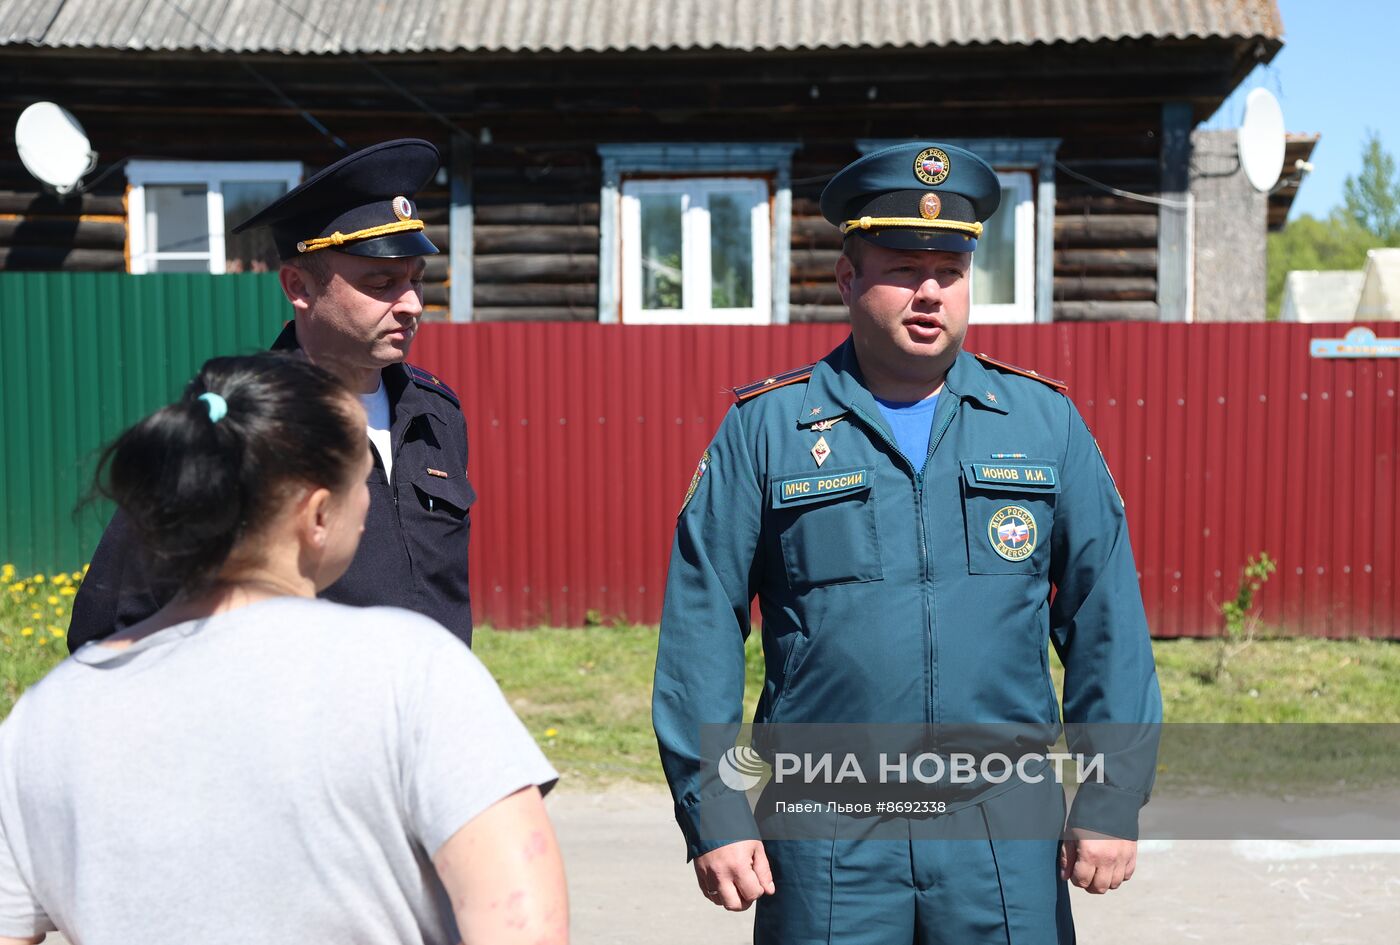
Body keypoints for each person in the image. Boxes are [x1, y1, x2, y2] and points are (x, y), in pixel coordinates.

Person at [652, 142, 1162, 944]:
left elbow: (1107, 618)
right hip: (828, 833)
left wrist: (1111, 791)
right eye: (900, 266)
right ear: (847, 279)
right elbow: (702, 620)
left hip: (1002, 827)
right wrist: (712, 804)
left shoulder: (1042, 424)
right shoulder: (768, 430)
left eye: (950, 270)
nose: (929, 291)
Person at [0, 354, 565, 945]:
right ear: (318, 515)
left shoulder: (49, 714)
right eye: (359, 485)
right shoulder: (411, 673)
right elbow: (523, 926)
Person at [68, 138, 477, 651]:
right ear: (298, 286)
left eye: (417, 280)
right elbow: (108, 629)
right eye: (381, 282)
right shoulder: (234, 427)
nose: (411, 304)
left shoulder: (434, 415)